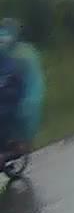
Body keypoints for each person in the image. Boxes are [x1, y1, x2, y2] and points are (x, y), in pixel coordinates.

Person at [0, 19, 44, 157]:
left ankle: (14, 145)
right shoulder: (7, 53)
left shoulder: (23, 54)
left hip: (13, 95)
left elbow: (28, 80)